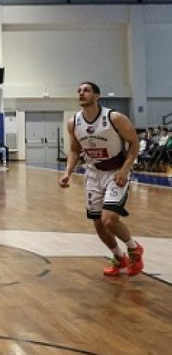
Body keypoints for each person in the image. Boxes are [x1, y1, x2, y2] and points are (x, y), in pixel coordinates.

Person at [59, 81, 144, 277]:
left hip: (116, 172)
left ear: (97, 96)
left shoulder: (114, 117)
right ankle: (118, 257)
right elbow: (74, 149)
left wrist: (125, 169)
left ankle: (134, 248)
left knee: (109, 220)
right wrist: (68, 172)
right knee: (98, 225)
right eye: (79, 90)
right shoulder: (74, 122)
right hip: (93, 173)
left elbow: (134, 144)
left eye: (86, 90)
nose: (81, 93)